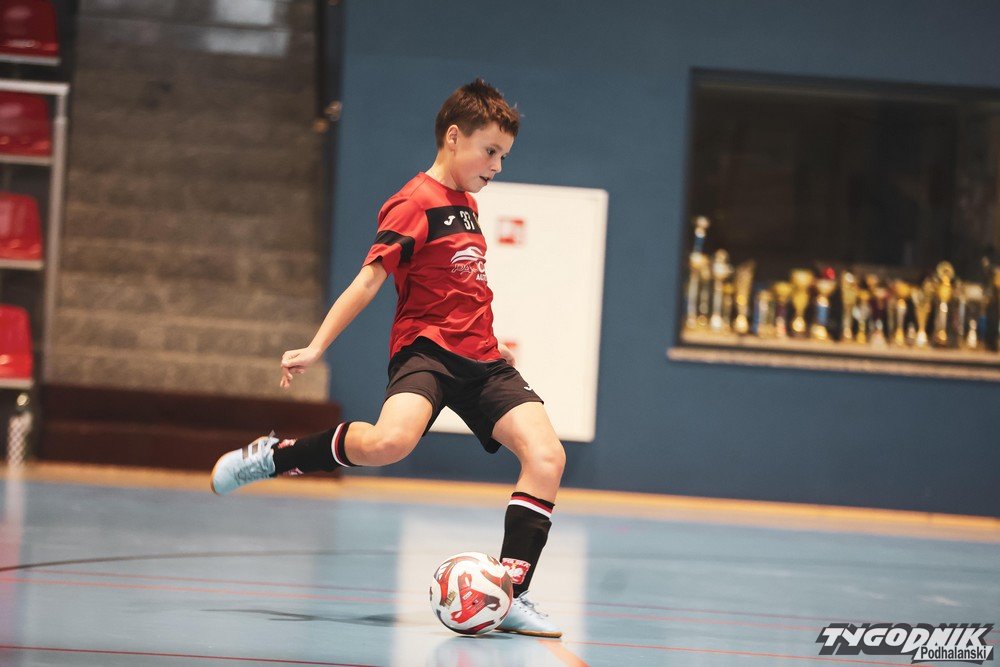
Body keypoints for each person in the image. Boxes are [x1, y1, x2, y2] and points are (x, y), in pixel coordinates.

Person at [211, 79, 565, 638]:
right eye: (491, 151)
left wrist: (489, 341)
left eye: (504, 156)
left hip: (482, 360)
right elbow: (368, 281)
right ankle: (276, 457)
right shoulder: (413, 203)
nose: (498, 166)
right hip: (427, 354)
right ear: (454, 137)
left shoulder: (469, 205)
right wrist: (317, 345)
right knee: (388, 444)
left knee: (547, 457)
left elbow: (461, 285)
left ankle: (511, 595)